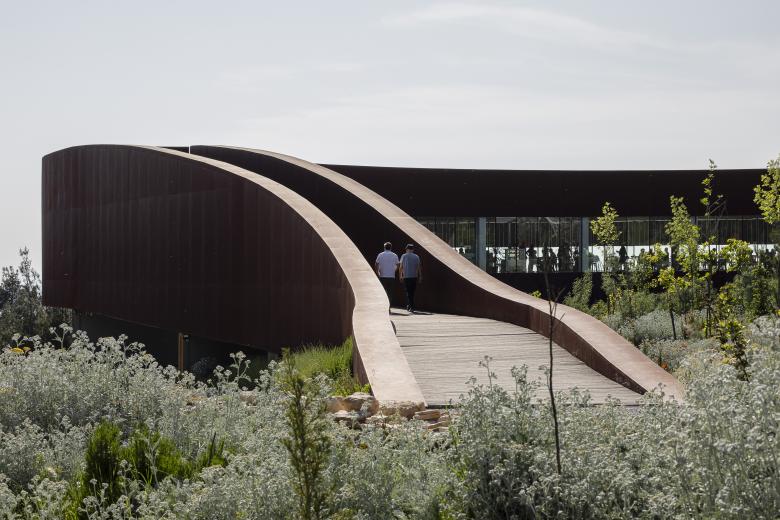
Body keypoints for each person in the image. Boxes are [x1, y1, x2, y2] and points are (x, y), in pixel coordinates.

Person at [375, 242, 399, 312]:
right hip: (391, 276)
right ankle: (388, 307)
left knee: (383, 292)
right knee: (390, 293)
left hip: (382, 276)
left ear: (384, 247)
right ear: (391, 247)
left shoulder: (380, 255)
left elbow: (376, 264)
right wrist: (394, 270)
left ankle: (383, 307)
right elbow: (398, 265)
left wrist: (378, 272)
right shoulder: (394, 255)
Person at [399, 243, 422, 313]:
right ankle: (410, 305)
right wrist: (420, 276)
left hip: (406, 276)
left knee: (408, 292)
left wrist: (400, 275)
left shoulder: (404, 256)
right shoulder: (416, 256)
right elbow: (419, 267)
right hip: (414, 276)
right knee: (412, 292)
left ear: (407, 249)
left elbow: (401, 267)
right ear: (413, 249)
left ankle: (411, 306)